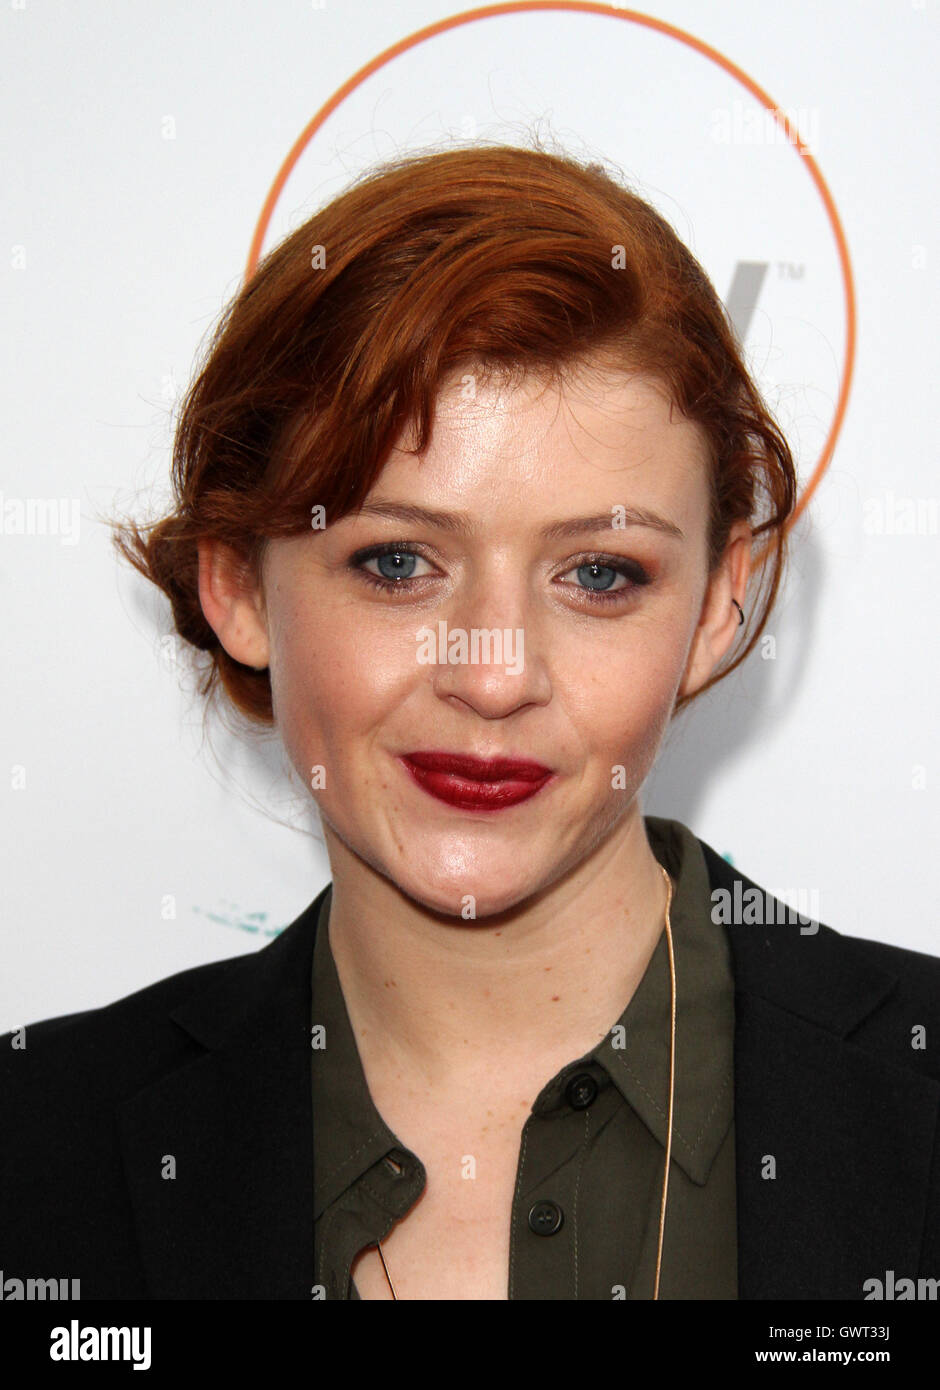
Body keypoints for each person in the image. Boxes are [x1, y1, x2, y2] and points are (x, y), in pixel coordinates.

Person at [2, 143, 938, 1302]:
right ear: (235, 581)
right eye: (396, 562)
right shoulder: (32, 1150)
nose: (493, 677)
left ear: (717, 604)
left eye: (599, 574)